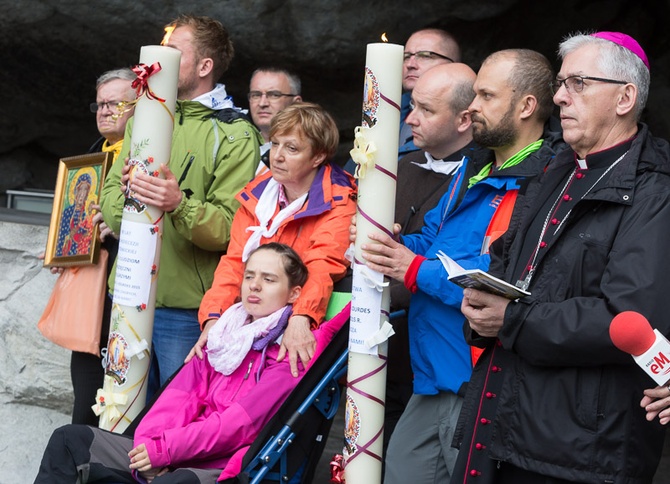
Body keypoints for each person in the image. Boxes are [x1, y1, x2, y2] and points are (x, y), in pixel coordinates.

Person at [453, 32, 670, 483]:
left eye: (578, 83)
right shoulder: (556, 167)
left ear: (625, 97)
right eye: (560, 82)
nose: (558, 96)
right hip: (503, 421)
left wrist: (510, 320)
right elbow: (508, 257)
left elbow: (627, 319)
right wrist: (480, 299)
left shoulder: (656, 190)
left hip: (580, 450)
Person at [352, 48, 563, 484]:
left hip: (479, 380)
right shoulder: (474, 165)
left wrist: (409, 267)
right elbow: (432, 241)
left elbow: (498, 281)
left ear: (525, 107)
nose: (472, 107)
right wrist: (390, 245)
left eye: (486, 95)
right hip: (433, 376)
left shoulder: (545, 183)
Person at [34, 243, 348, 483]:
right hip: (170, 451)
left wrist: (169, 451)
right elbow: (178, 399)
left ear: (294, 294)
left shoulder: (289, 351)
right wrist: (153, 448)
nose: (254, 285)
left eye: (268, 279)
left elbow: (236, 427)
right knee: (69, 440)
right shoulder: (223, 334)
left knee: (177, 481)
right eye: (250, 276)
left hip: (216, 464)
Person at [99, 15, 261, 398]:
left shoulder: (236, 134)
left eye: (172, 53)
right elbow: (108, 198)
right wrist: (131, 204)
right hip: (127, 291)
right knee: (117, 411)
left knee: (169, 425)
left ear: (205, 66)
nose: (156, 63)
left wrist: (178, 205)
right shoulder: (145, 114)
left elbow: (227, 228)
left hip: (184, 310)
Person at [194, 102, 356, 378]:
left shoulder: (339, 199)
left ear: (318, 157)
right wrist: (213, 319)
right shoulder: (257, 195)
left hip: (308, 317)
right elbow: (235, 263)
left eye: (291, 149)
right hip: (253, 315)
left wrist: (301, 318)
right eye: (275, 144)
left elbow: (322, 265)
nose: (277, 156)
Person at [384, 61, 482, 453]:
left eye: (426, 110)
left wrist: (405, 261)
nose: (410, 120)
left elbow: (478, 269)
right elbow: (424, 241)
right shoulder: (401, 167)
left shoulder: (477, 175)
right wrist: (381, 245)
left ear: (464, 119)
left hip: (454, 355)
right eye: (412, 106)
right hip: (409, 347)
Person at [399, 28, 462, 158]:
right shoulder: (389, 108)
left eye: (425, 56)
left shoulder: (467, 117)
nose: (410, 64)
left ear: (453, 65)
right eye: (406, 56)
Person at [248, 67, 302, 159]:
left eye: (274, 95)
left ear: (295, 103)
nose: (262, 103)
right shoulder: (238, 146)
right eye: (256, 95)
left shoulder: (307, 151)